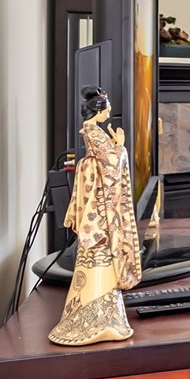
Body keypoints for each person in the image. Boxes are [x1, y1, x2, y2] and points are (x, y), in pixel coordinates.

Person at [51, 88, 141, 346]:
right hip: (99, 205)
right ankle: (97, 320)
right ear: (99, 110)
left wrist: (114, 146)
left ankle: (102, 318)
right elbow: (111, 163)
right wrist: (121, 146)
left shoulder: (93, 132)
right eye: (107, 109)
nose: (110, 113)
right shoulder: (94, 132)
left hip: (97, 198)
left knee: (95, 256)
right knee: (99, 254)